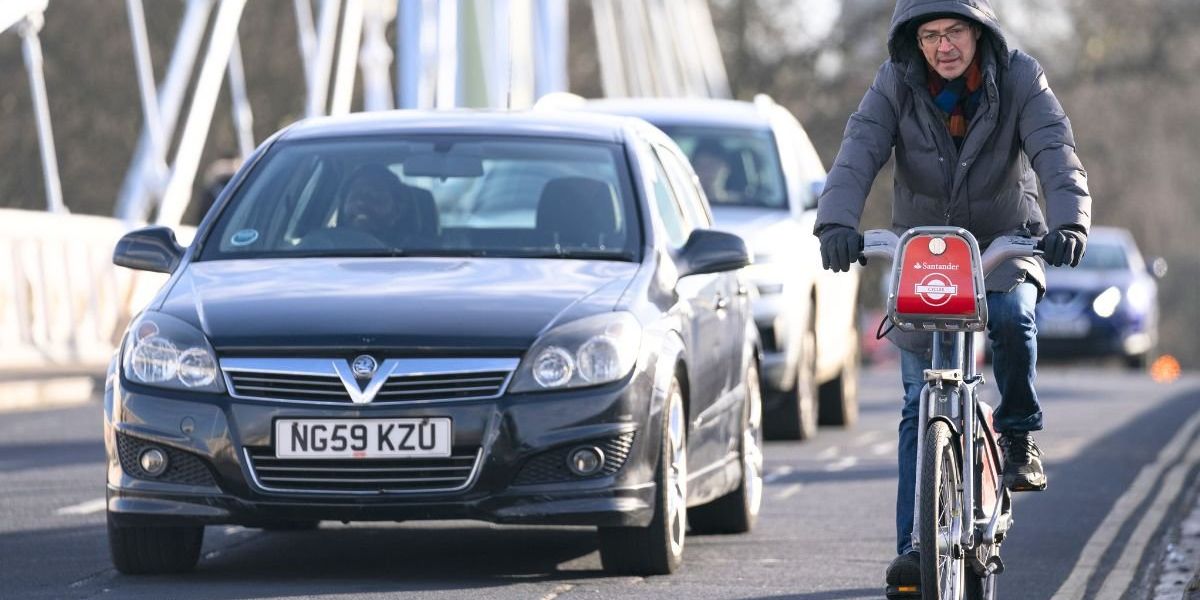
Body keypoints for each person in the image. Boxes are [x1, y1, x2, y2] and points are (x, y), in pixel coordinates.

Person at [811, 0, 1091, 592]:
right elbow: (859, 148)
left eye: (955, 31)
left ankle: (1017, 433)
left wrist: (1070, 223)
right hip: (926, 255)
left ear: (979, 30)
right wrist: (835, 224)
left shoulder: (1019, 77)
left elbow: (1054, 151)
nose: (943, 46)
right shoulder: (894, 83)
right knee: (918, 404)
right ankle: (915, 551)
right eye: (931, 35)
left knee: (1014, 317)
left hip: (1004, 245)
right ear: (914, 42)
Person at [690, 139, 742, 204]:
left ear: (726, 169)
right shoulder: (685, 205)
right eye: (702, 167)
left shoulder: (742, 206)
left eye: (712, 166)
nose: (707, 172)